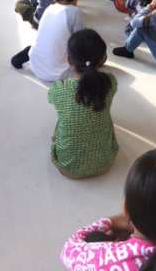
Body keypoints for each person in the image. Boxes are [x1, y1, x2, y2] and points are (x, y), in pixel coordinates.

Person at [60, 149, 156, 271]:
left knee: (94, 238)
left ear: (126, 209)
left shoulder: (105, 260)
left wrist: (110, 221)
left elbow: (69, 249)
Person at [48, 29, 118, 179]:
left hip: (68, 168)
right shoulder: (111, 82)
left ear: (68, 60)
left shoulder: (59, 88)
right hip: (105, 163)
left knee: (62, 118)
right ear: (103, 59)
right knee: (105, 116)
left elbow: (50, 99)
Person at [11, 0, 84, 82]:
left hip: (35, 63)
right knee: (91, 52)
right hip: (58, 73)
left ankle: (32, 52)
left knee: (44, 43)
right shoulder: (75, 12)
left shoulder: (49, 8)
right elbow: (80, 41)